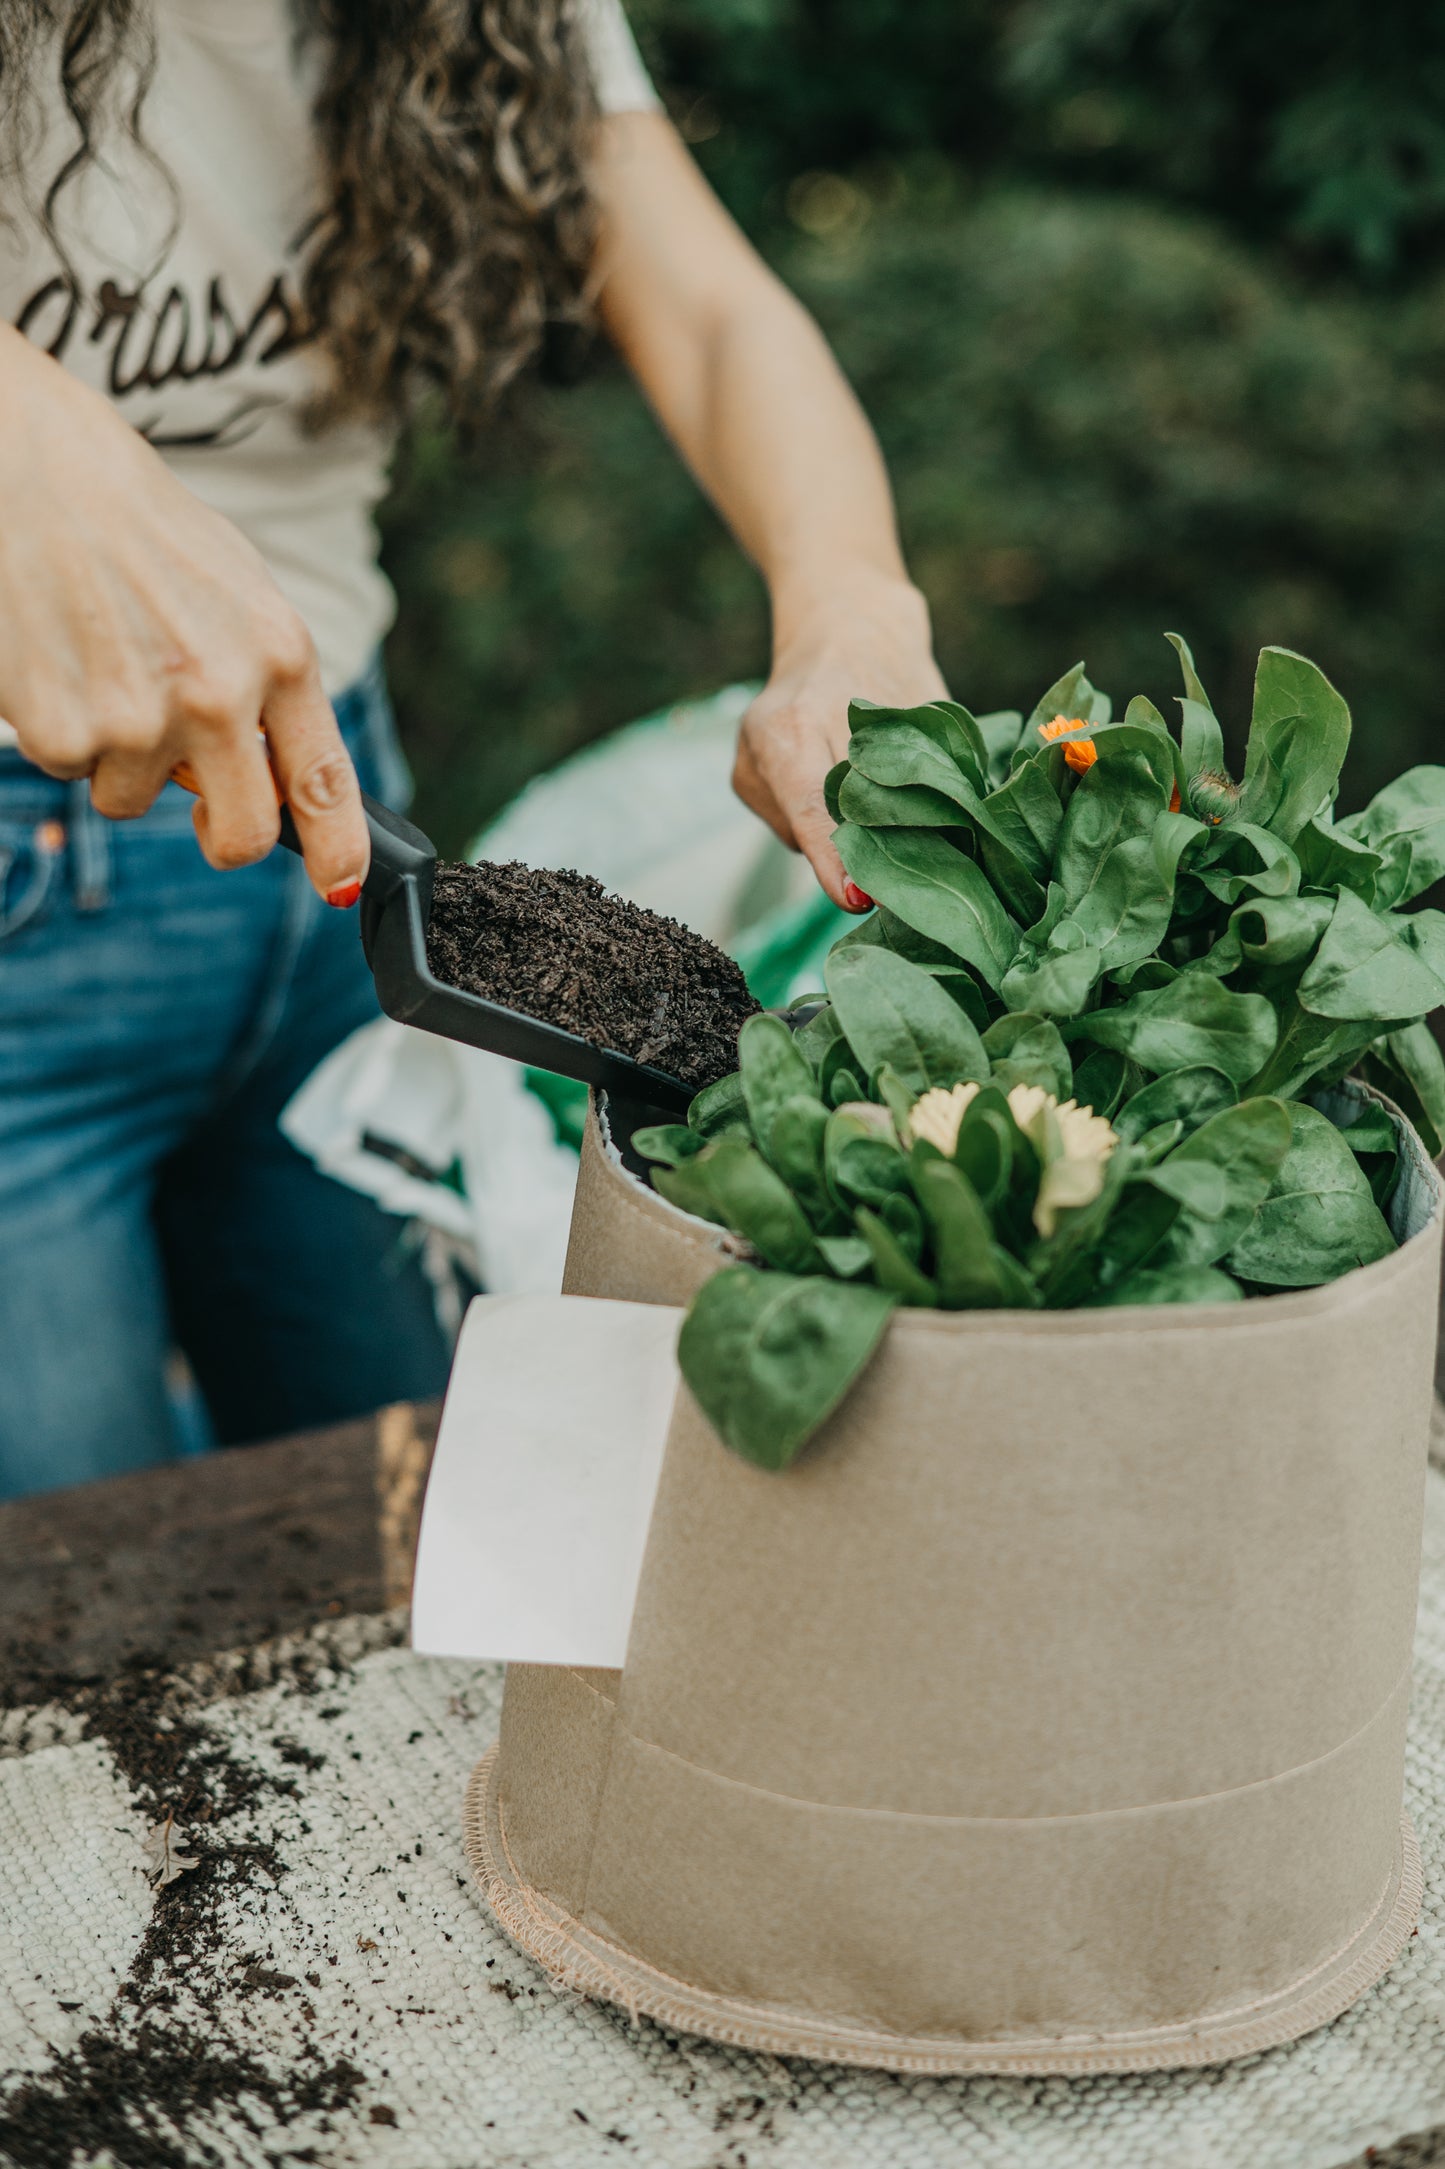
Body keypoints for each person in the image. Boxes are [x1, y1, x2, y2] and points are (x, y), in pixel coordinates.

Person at [0, 0, 946, 1500]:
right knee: (73, 1628)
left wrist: (846, 602)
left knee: (421, 1529)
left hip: (335, 867)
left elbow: (706, 315)